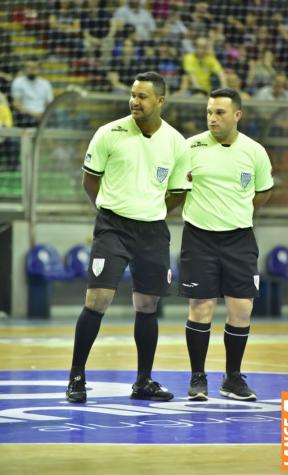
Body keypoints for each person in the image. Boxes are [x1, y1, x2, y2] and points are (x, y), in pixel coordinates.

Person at [66, 71, 192, 403]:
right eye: (133, 95)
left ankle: (144, 381)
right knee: (97, 301)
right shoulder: (109, 133)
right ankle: (76, 377)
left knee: (147, 305)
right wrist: (112, 211)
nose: (135, 101)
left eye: (143, 96)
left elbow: (178, 192)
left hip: (152, 231)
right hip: (112, 227)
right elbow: (90, 182)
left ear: (160, 101)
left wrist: (151, 209)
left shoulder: (177, 143)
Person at [178, 88, 274, 402]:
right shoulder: (190, 147)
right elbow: (175, 187)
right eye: (209, 112)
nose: (212, 118)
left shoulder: (255, 151)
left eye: (219, 112)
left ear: (237, 115)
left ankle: (232, 378)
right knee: (201, 307)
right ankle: (198, 378)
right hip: (199, 236)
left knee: (241, 309)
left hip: (239, 238)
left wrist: (238, 211)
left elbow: (263, 192)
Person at [11, 59, 54, 127]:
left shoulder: (46, 84)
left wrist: (44, 114)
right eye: (28, 67)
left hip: (43, 116)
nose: (31, 70)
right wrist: (34, 114)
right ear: (25, 68)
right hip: (25, 116)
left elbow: (49, 103)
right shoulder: (18, 82)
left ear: (39, 69)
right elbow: (16, 104)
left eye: (34, 68)